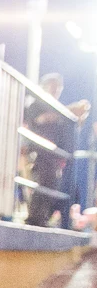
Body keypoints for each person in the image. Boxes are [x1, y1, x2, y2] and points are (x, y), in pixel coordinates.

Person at [24, 73, 89, 227]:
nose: (56, 91)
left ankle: (43, 218)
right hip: (39, 153)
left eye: (59, 88)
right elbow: (43, 119)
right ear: (44, 86)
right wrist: (70, 111)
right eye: (53, 87)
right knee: (43, 185)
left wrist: (78, 117)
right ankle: (35, 218)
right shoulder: (37, 104)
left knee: (53, 187)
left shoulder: (57, 108)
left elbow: (68, 128)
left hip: (55, 155)